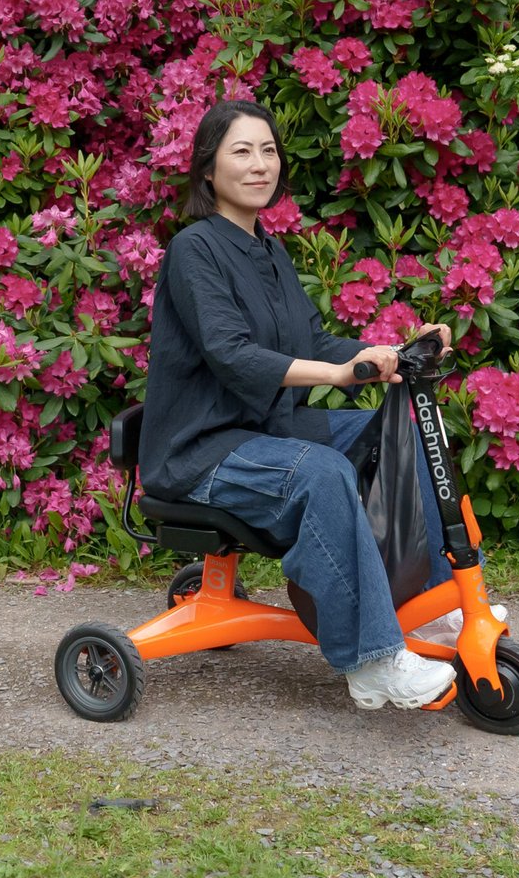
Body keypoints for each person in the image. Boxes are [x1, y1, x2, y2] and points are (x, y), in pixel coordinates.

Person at [139, 98, 470, 711]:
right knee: (322, 472)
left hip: (266, 426)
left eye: (268, 150)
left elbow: (311, 341)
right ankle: (371, 662)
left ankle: (431, 608)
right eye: (242, 151)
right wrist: (341, 372)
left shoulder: (269, 250)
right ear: (208, 170)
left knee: (398, 430)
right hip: (203, 449)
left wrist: (393, 352)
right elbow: (231, 354)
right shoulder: (194, 250)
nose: (260, 164)